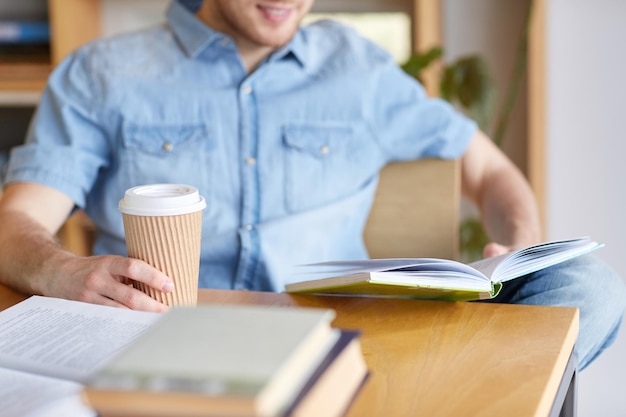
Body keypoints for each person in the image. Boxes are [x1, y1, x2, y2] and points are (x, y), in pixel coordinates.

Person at [0, 0, 624, 370]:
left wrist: (515, 249)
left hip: (338, 340)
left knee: (588, 285)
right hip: (167, 340)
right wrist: (62, 271)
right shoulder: (103, 73)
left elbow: (491, 171)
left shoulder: (359, 69)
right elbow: (15, 222)